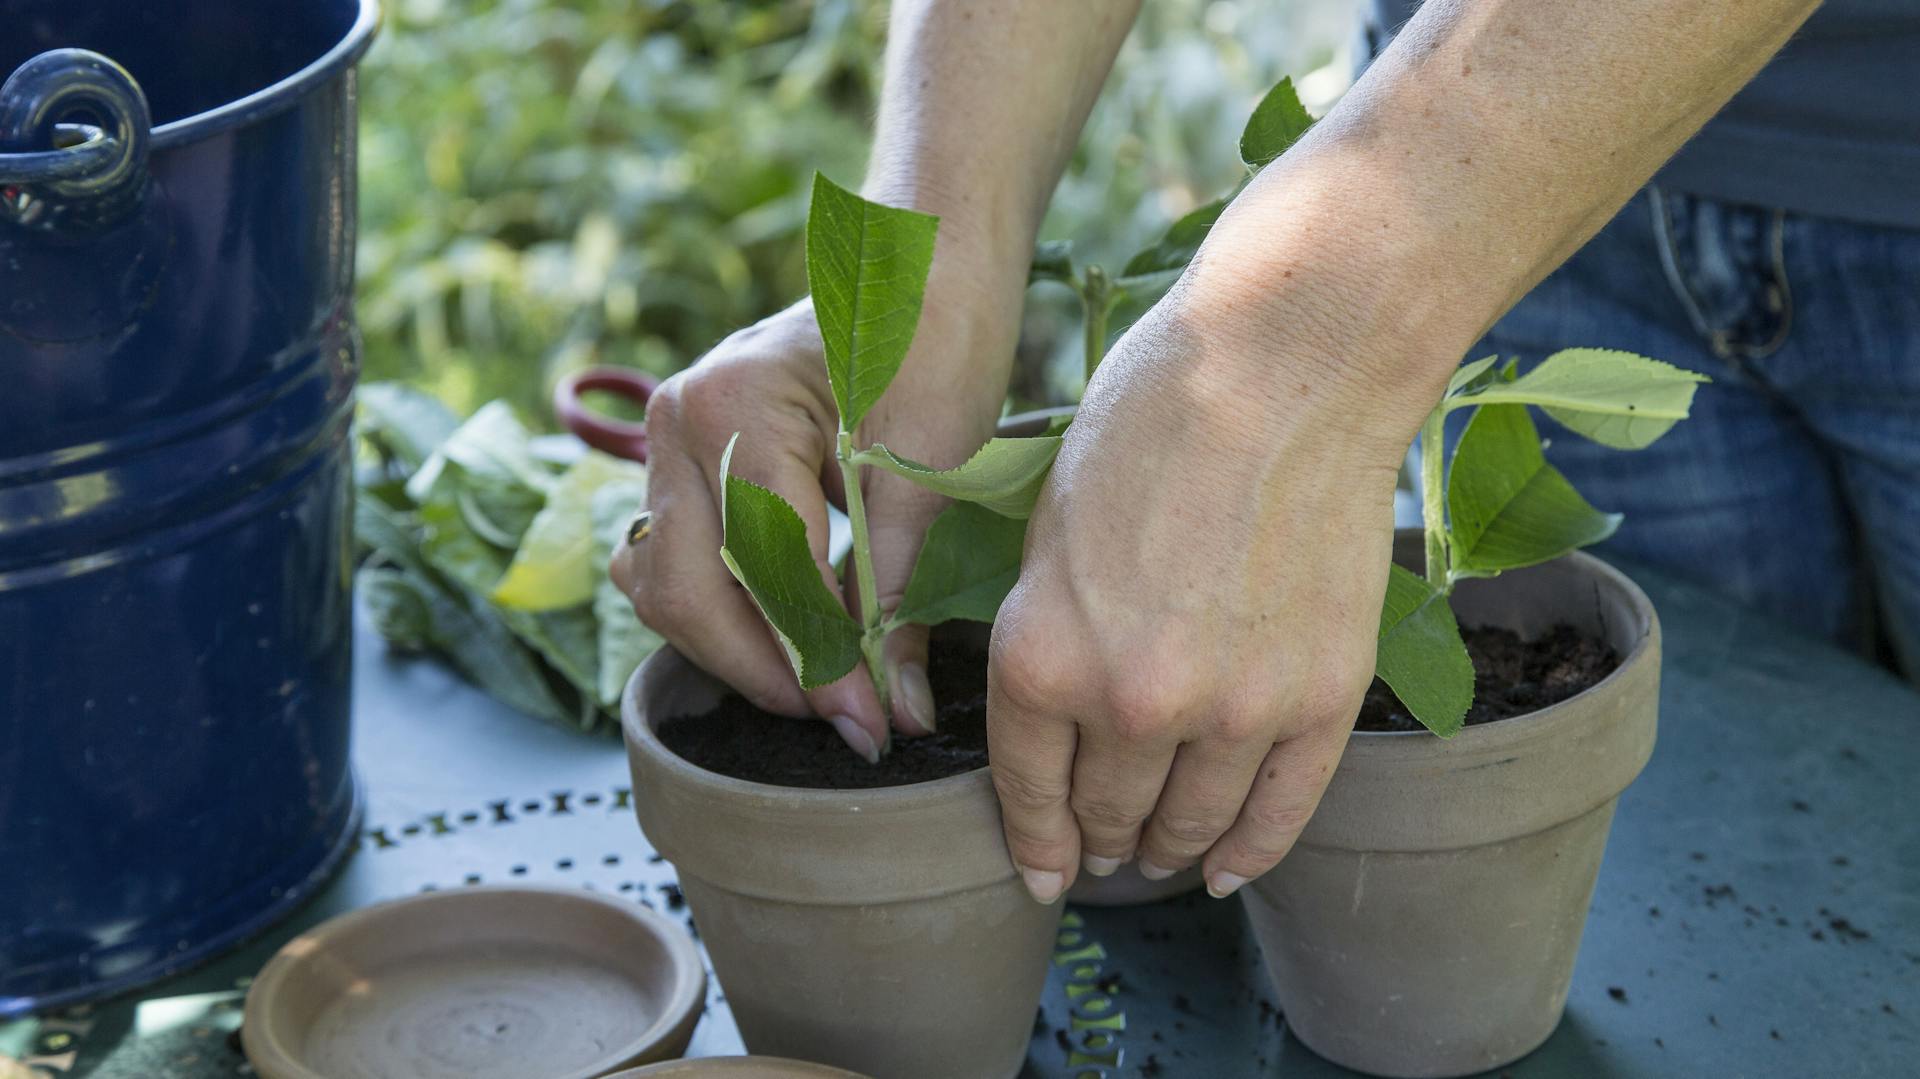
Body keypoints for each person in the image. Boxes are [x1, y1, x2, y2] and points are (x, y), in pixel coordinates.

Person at [611, 0, 1917, 907]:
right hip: (1494, 123)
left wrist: (1298, 343)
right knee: (1718, 875)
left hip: (1502, 161)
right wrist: (925, 261)